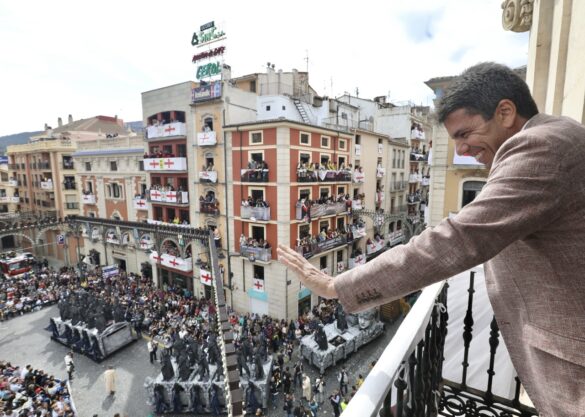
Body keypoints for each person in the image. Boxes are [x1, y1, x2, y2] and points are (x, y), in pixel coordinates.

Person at [277, 62, 585, 417]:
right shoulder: (558, 133)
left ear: (505, 112)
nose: (462, 149)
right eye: (455, 139)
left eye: (465, 133)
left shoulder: (541, 147)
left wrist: (336, 286)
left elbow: (458, 239)